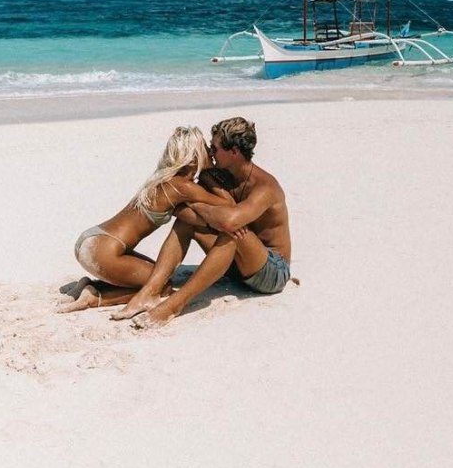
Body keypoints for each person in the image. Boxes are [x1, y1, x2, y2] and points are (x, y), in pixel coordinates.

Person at [116, 116, 293, 328]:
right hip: (237, 266)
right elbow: (180, 211)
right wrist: (207, 176)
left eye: (215, 148)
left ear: (234, 152)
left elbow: (228, 222)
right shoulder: (221, 176)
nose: (210, 152)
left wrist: (200, 208)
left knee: (232, 232)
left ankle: (174, 305)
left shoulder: (265, 187)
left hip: (271, 272)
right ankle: (150, 291)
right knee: (190, 225)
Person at [59, 125, 236, 312]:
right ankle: (96, 297)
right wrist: (207, 173)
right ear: (194, 157)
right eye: (205, 150)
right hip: (103, 250)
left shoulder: (163, 179)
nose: (210, 152)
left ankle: (90, 284)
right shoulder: (182, 186)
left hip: (94, 239)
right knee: (162, 286)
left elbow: (194, 218)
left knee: (155, 276)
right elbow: (229, 205)